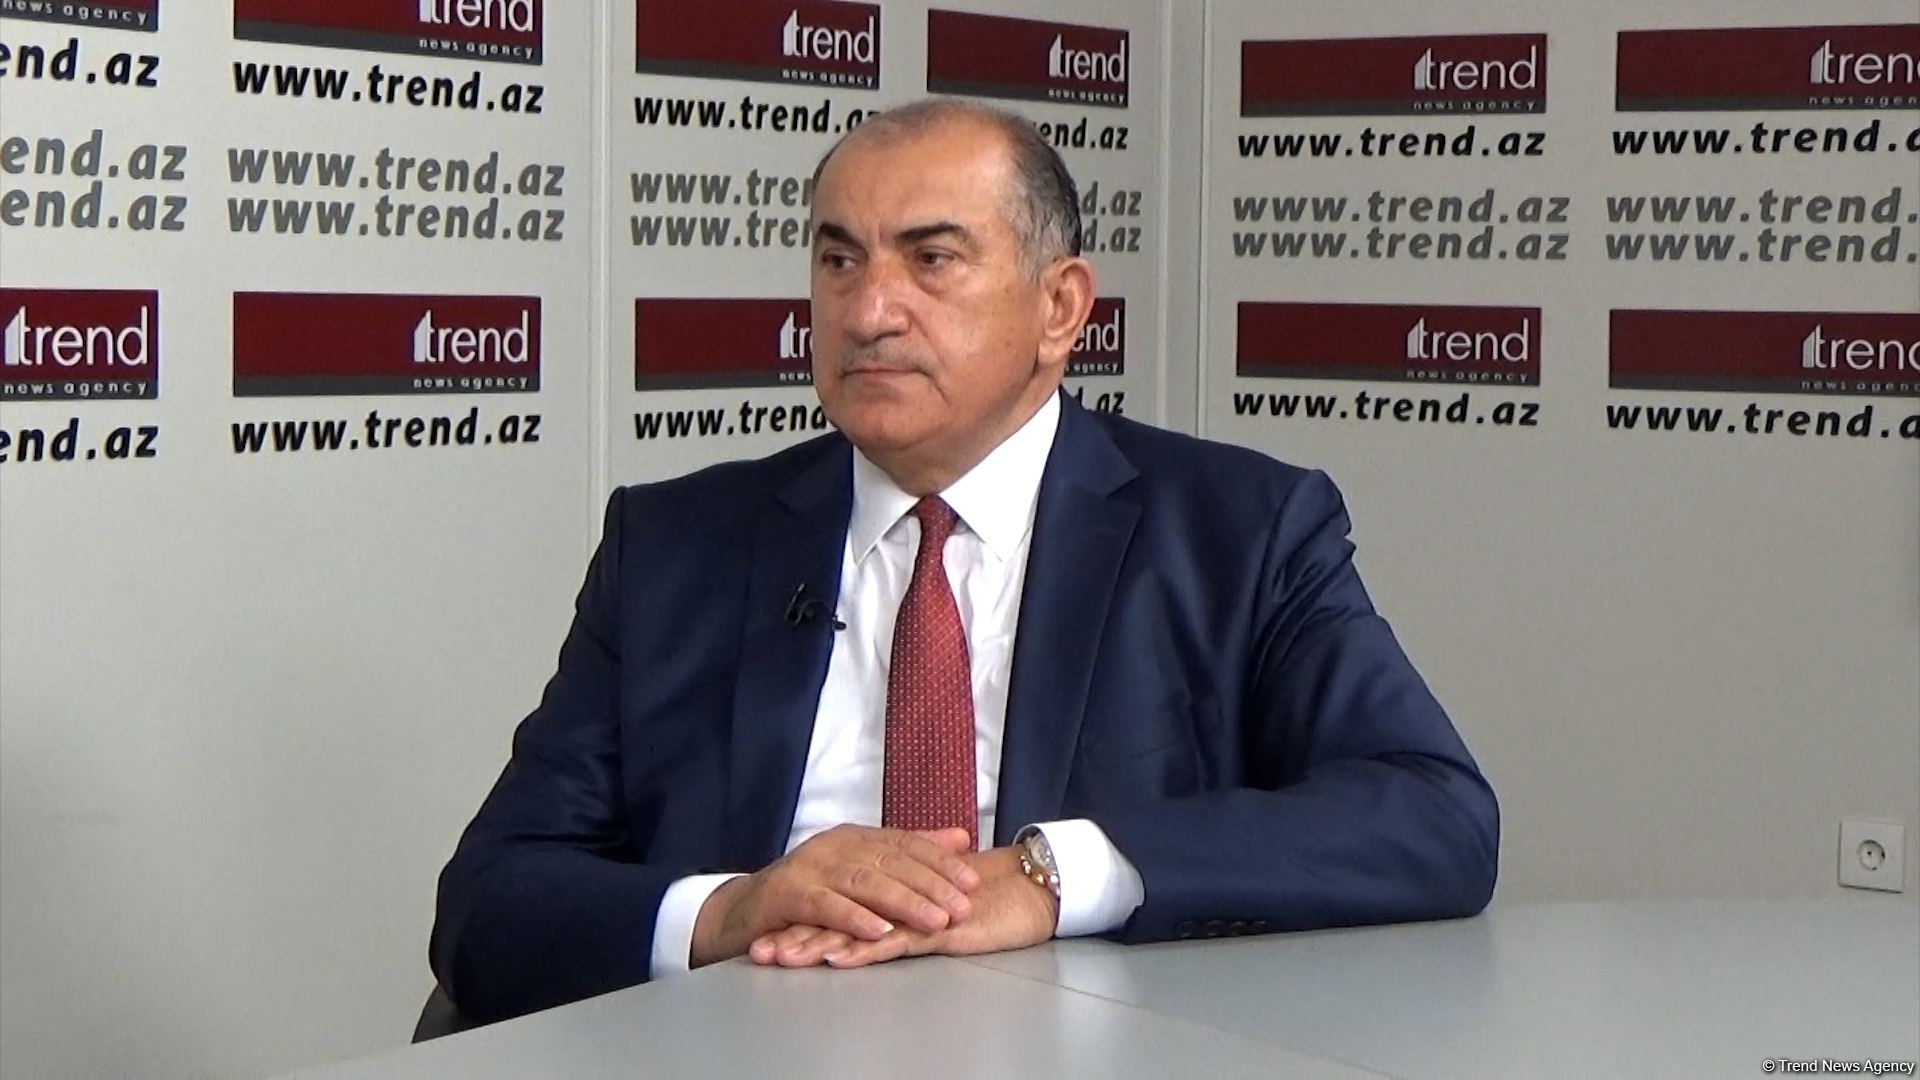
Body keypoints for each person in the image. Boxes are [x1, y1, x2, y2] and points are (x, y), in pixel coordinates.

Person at [430, 98, 1498, 1025]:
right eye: (839, 260)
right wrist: (732, 911)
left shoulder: (1239, 531)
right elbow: (490, 900)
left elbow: (1433, 815)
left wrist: (1049, 877)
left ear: (1059, 308)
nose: (869, 311)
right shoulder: (677, 547)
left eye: (930, 260)